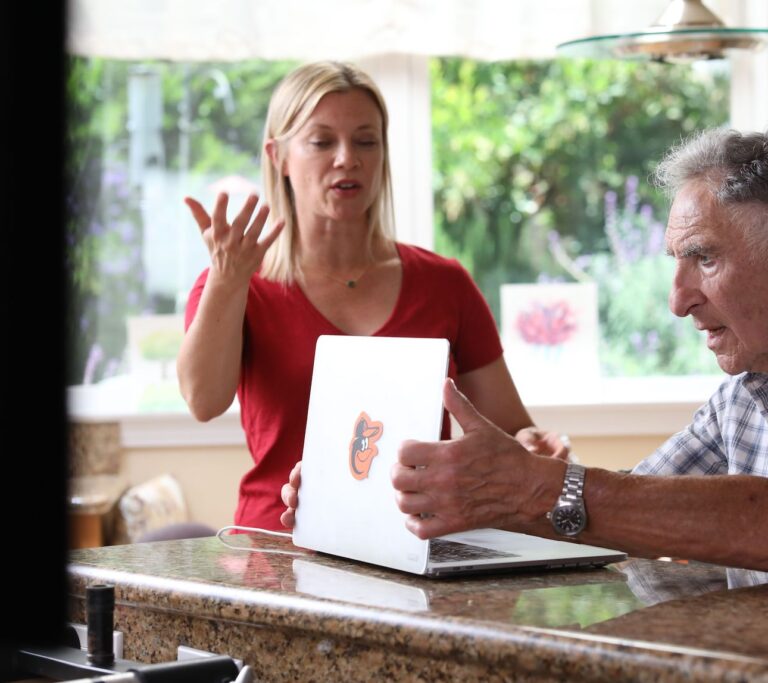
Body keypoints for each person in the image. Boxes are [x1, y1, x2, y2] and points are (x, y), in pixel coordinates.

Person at [282, 122, 768, 599]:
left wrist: (536, 485)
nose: (678, 300)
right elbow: (618, 509)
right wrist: (411, 497)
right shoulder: (761, 377)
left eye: (702, 258)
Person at [177, 61, 567, 532]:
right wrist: (227, 279)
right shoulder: (237, 282)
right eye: (322, 142)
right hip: (277, 551)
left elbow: (507, 429)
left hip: (420, 544)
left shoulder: (446, 283)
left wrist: (531, 447)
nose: (347, 158)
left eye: (366, 141)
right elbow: (203, 402)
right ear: (278, 156)